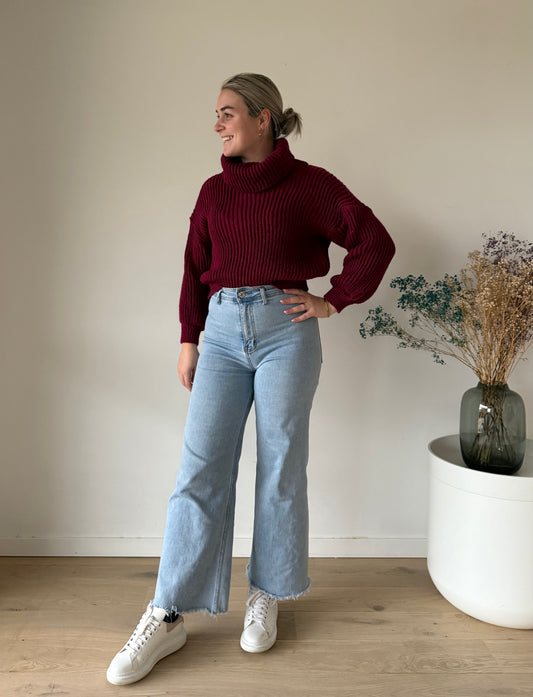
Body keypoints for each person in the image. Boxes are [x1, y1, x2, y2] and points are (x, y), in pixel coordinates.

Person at [107, 72, 395, 686]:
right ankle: (168, 612)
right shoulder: (213, 191)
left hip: (287, 332)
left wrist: (334, 299)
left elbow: (374, 239)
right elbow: (194, 266)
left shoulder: (310, 185)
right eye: (217, 113)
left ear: (264, 118)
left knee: (281, 462)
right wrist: (189, 338)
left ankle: (267, 592)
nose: (217, 124)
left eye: (228, 112)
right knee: (200, 468)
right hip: (219, 332)